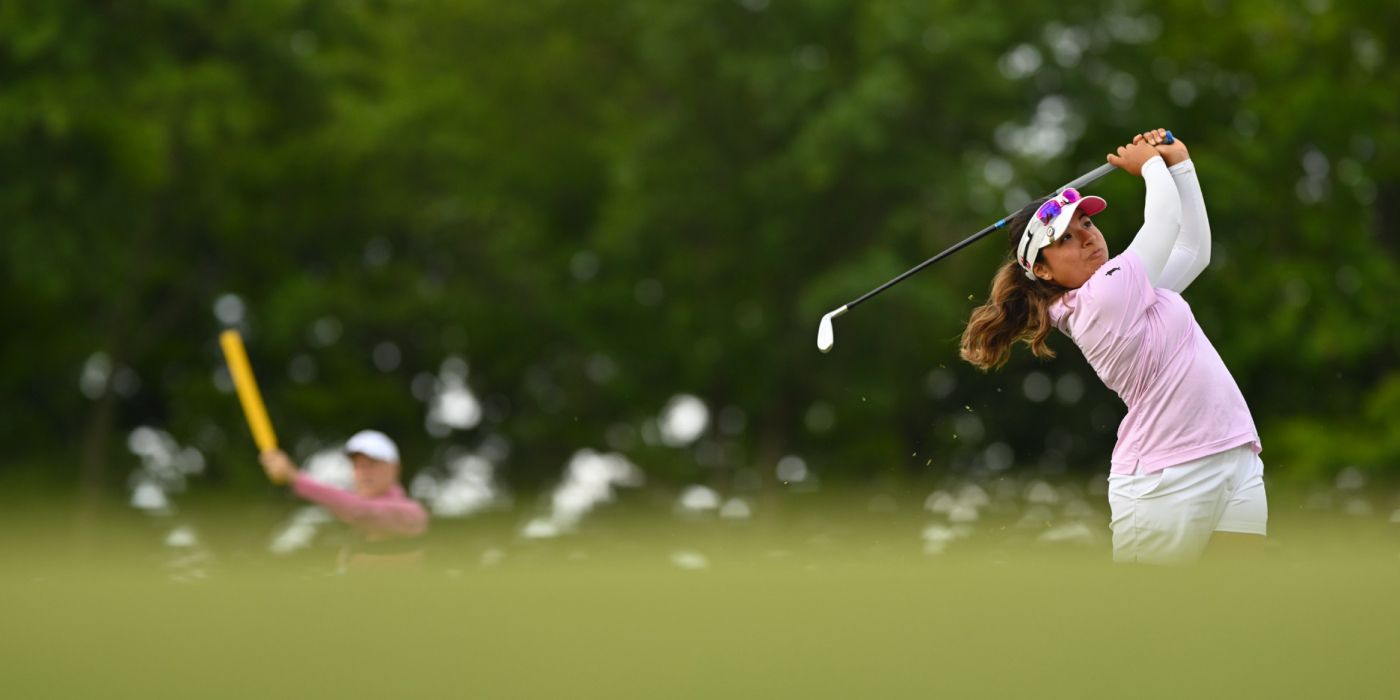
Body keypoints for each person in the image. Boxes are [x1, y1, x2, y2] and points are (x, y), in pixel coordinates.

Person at [959, 129, 1266, 565]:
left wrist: (1180, 165)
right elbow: (1164, 223)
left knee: (1237, 611)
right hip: (1165, 478)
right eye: (1064, 238)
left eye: (1085, 223)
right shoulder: (1103, 295)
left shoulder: (1128, 285)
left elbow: (1194, 250)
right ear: (1042, 272)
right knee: (1147, 624)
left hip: (1233, 453)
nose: (1087, 236)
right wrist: (1150, 166)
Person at [260, 430, 428, 571]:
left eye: (372, 464)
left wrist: (294, 477)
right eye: (357, 465)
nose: (364, 472)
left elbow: (360, 510)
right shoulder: (357, 523)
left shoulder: (411, 513)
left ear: (395, 468)